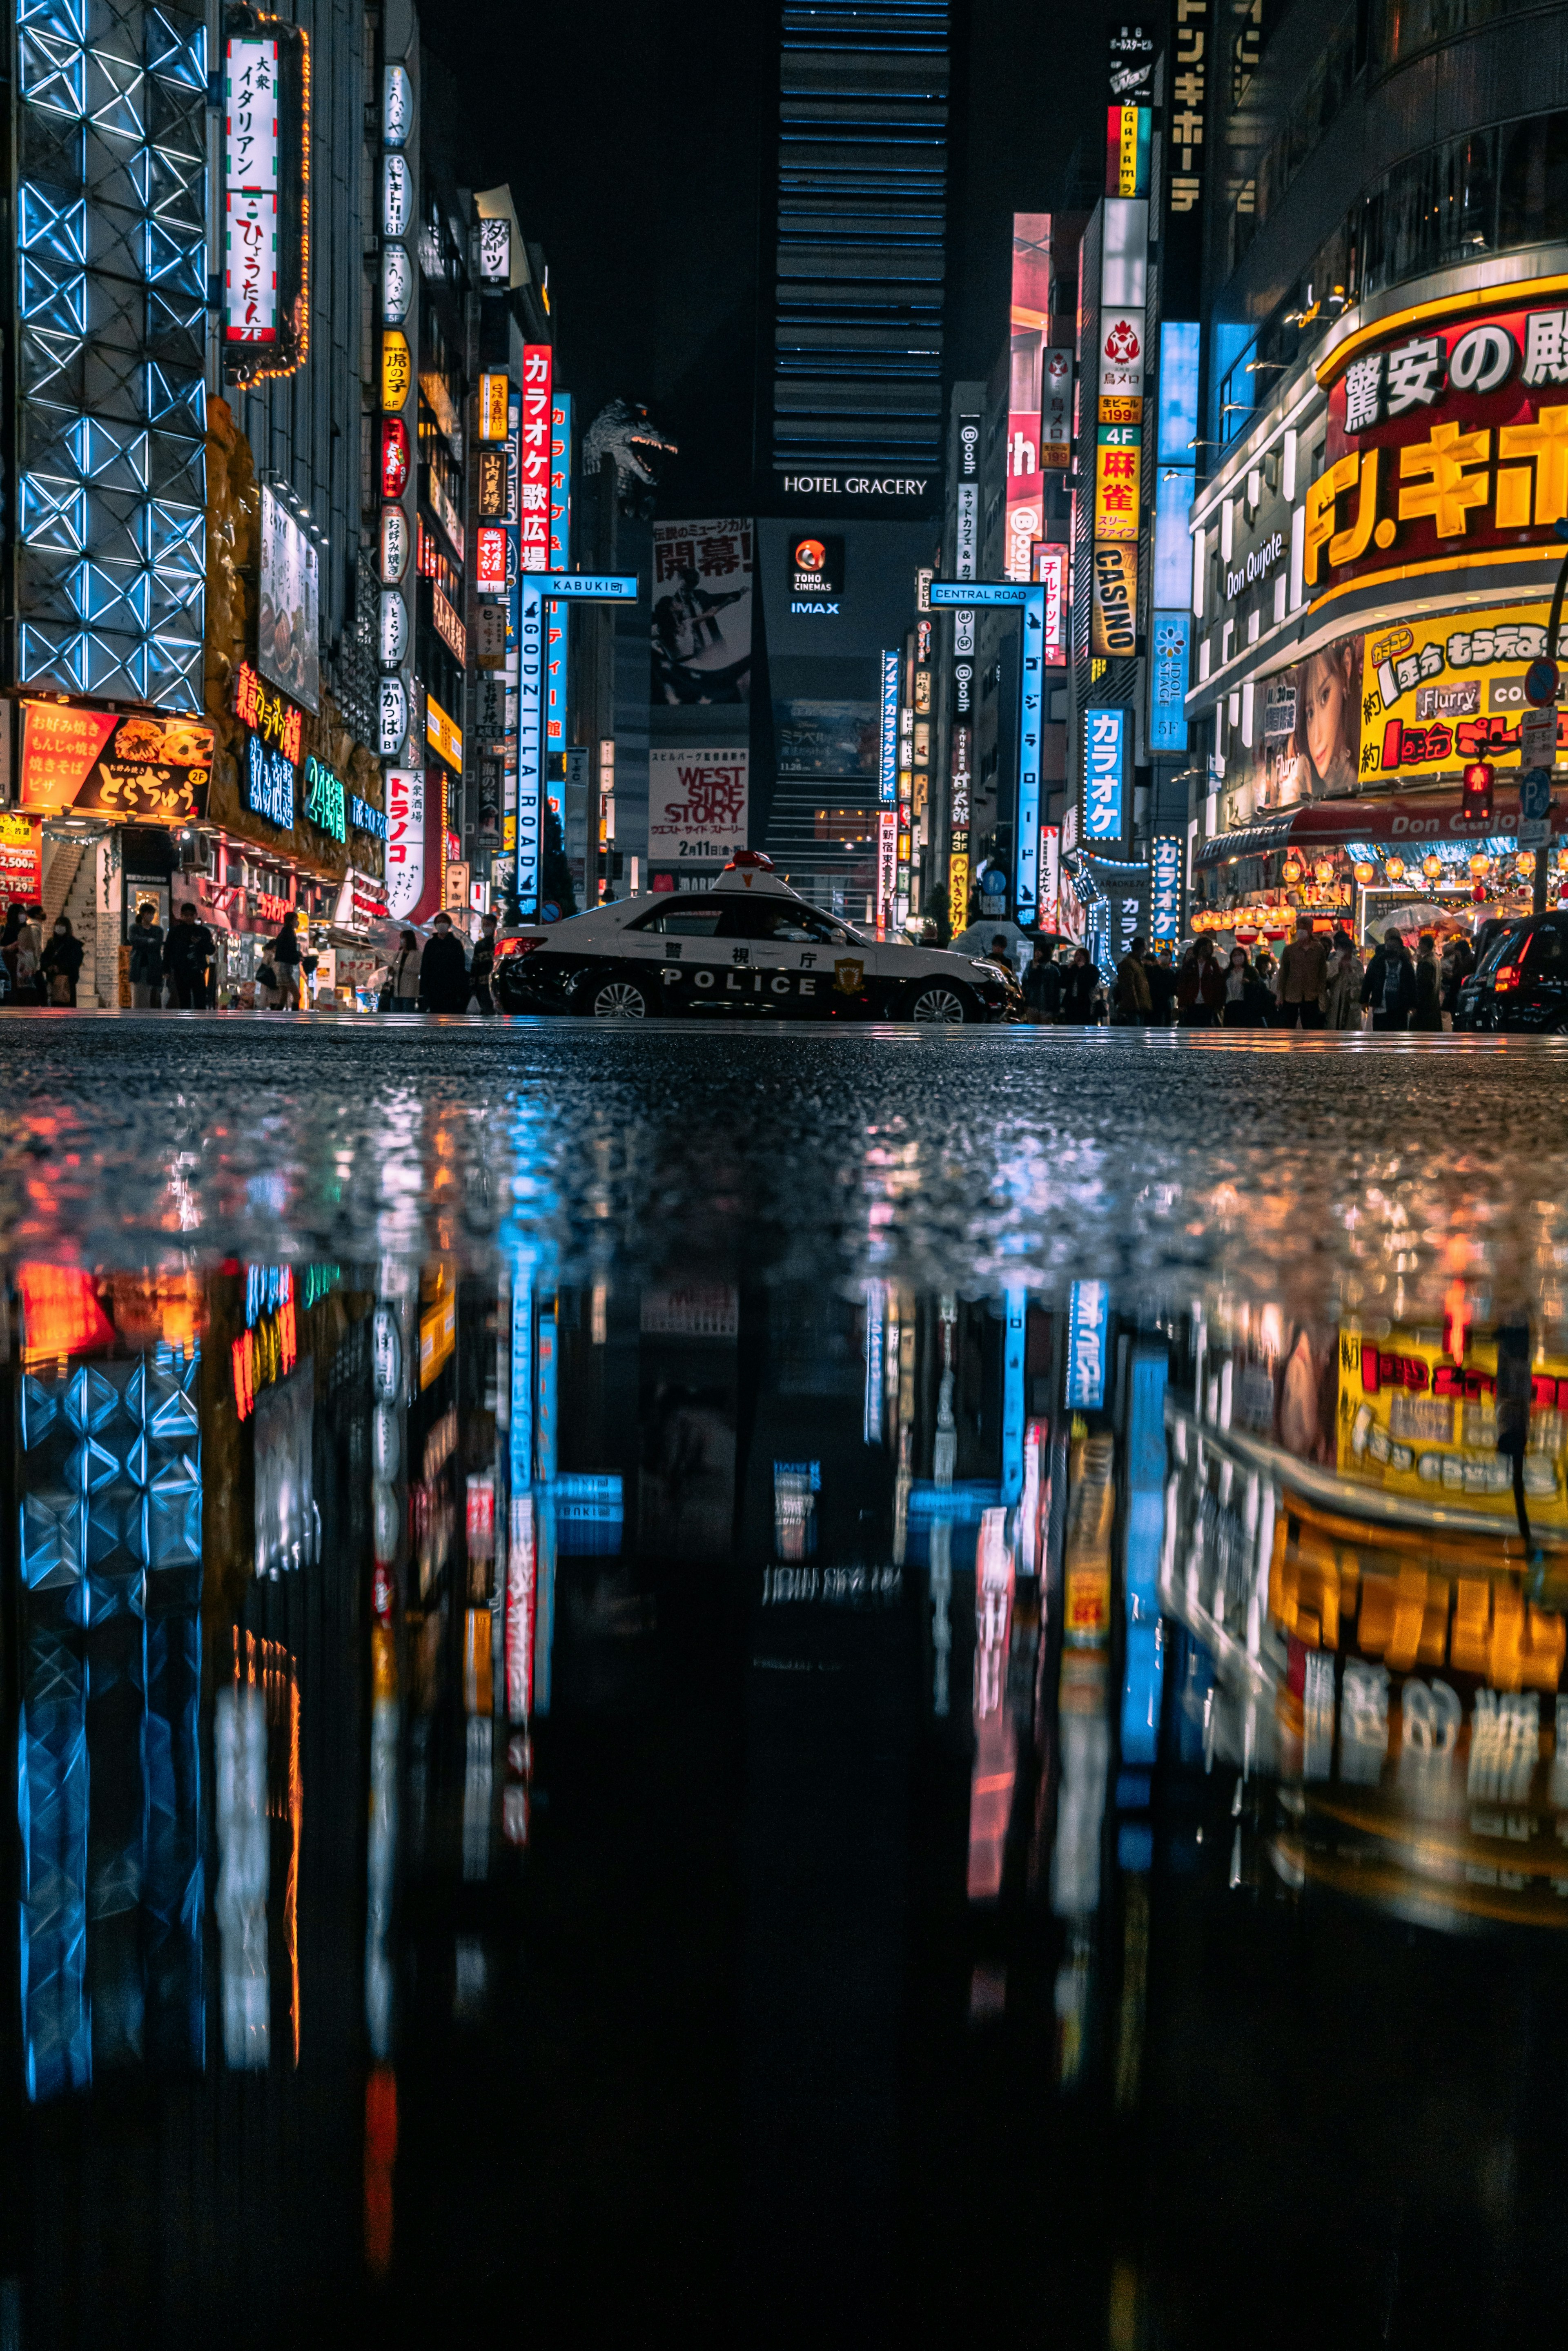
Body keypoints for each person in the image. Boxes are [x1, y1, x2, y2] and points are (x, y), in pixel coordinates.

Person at [1274, 914, 1329, 1028]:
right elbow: (1283, 974)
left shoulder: (1318, 950)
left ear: (1311, 930)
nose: (1302, 931)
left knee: (1311, 1028)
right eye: (1300, 928)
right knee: (1288, 1027)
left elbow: (1322, 974)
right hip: (1291, 995)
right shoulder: (1290, 950)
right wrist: (1280, 994)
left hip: (1312, 995)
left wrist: (1321, 994)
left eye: (1305, 928)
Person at [1361, 926, 1416, 1031]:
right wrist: (1364, 1000)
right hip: (1382, 1007)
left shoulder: (1404, 962)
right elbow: (1369, 980)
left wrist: (1413, 1003)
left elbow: (1411, 983)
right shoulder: (1379, 961)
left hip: (1399, 1009)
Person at [164, 901, 214, 1010]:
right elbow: (168, 950)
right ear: (181, 916)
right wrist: (166, 969)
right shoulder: (175, 932)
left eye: (191, 915)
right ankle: (187, 1021)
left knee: (199, 999)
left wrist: (200, 943)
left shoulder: (202, 931)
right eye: (186, 915)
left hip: (197, 969)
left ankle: (198, 1021)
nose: (189, 918)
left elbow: (211, 950)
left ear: (196, 915)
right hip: (181, 969)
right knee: (184, 999)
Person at [419, 909, 470, 1014]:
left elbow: (460, 966)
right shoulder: (431, 944)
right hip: (433, 987)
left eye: (443, 922)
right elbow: (425, 966)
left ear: (449, 925)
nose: (441, 924)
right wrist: (424, 988)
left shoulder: (456, 944)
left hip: (451, 987)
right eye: (438, 922)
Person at [1176, 935, 1225, 1027]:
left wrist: (1218, 1004)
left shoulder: (1213, 964)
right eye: (1204, 948)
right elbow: (1183, 984)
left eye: (1208, 948)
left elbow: (1219, 984)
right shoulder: (1190, 964)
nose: (1206, 950)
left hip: (1208, 1003)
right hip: (1191, 1003)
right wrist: (1182, 1004)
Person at [1323, 925, 1364, 1029]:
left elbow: (1361, 985)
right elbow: (1327, 979)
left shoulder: (1357, 964)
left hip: (1352, 1007)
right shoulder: (1332, 960)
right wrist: (1339, 964)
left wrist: (1351, 971)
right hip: (1335, 1005)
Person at [40, 914, 85, 1007]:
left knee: (67, 1007)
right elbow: (44, 958)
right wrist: (49, 967)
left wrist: (61, 968)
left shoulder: (74, 944)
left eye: (62, 926)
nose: (59, 928)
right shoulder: (52, 942)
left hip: (67, 982)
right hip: (53, 981)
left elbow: (76, 961)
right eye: (57, 925)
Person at [128, 900, 165, 1008]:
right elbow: (134, 940)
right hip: (139, 966)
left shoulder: (158, 930)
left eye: (153, 914)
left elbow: (157, 944)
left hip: (153, 966)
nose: (151, 916)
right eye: (149, 914)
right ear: (143, 914)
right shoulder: (135, 928)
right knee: (138, 997)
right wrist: (149, 941)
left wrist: (144, 942)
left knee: (152, 998)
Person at [265, 910, 303, 1010]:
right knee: (297, 995)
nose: (297, 922)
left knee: (283, 998)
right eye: (296, 920)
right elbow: (288, 951)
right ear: (291, 921)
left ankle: (277, 1016)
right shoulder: (288, 933)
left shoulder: (285, 932)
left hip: (283, 968)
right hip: (285, 969)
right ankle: (295, 1016)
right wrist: (297, 956)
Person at [1113, 934, 1152, 1024]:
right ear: (1141, 948)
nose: (1146, 950)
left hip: (1139, 1006)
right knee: (1136, 1032)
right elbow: (1129, 986)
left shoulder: (1137, 963)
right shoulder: (1129, 963)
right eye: (1145, 947)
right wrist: (1135, 1005)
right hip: (1134, 1007)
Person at [1411, 930, 1443, 1032]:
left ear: (1425, 946)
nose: (1418, 947)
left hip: (1425, 1008)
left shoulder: (1426, 963)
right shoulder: (1436, 961)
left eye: (1420, 944)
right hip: (1434, 1006)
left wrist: (1416, 1004)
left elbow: (1423, 986)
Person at [1021, 940, 1061, 1023]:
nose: (1037, 953)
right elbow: (1026, 983)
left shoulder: (1052, 969)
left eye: (1040, 951)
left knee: (1044, 1031)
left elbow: (1055, 991)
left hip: (1047, 1007)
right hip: (1032, 1005)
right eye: (1036, 951)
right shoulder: (1031, 965)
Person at [1442, 931, 1475, 1027]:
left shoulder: (1468, 962)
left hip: (1461, 993)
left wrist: (1450, 977)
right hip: (1458, 992)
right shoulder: (1463, 960)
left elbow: (1460, 977)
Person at [1059, 946, 1099, 1024]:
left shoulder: (1091, 969)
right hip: (1071, 1002)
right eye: (1077, 955)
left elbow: (1091, 983)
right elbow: (1064, 983)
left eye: (1082, 955)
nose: (1079, 958)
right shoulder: (1073, 968)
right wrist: (1070, 969)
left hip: (1085, 1002)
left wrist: (1083, 969)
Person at [469, 912, 500, 1013]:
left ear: (494, 926)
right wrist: (473, 986)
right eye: (484, 925)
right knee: (486, 1011)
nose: (486, 927)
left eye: (488, 925)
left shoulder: (499, 943)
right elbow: (475, 966)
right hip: (483, 985)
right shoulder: (480, 945)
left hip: (496, 984)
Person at [389, 928, 422, 1012]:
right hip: (396, 991)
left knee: (407, 1013)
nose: (401, 940)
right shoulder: (398, 954)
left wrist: (405, 968)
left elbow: (420, 970)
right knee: (395, 1015)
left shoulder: (417, 954)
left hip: (409, 991)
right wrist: (391, 971)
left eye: (403, 938)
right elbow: (394, 967)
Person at [1145, 948, 1176, 1026]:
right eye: (1162, 954)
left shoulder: (1172, 973)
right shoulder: (1153, 970)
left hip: (1166, 1004)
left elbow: (1173, 990)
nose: (1164, 957)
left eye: (1166, 955)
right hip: (1154, 1004)